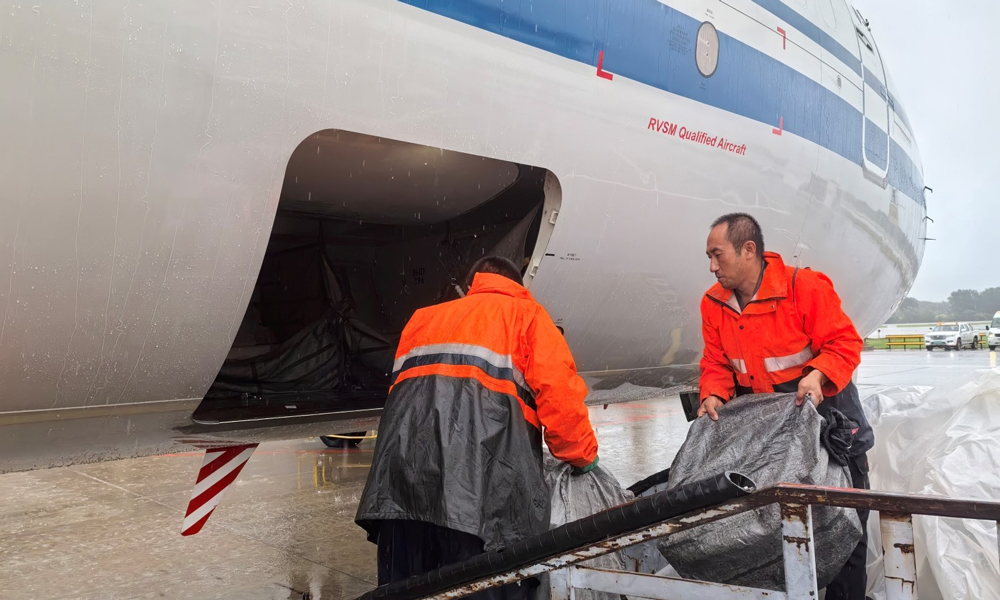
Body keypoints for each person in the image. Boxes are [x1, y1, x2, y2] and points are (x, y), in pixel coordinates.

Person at [355, 256, 599, 599]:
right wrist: (584, 455)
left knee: (404, 590)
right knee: (481, 587)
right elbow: (561, 402)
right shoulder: (527, 316)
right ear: (518, 287)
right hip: (480, 503)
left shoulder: (421, 320)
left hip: (400, 494)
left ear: (472, 286)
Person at [696, 213, 873, 600]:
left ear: (748, 250)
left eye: (717, 255)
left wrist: (818, 375)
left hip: (832, 427)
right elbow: (717, 363)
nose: (712, 266)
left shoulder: (802, 288)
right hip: (775, 438)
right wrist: (713, 392)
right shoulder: (713, 304)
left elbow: (845, 343)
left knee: (845, 533)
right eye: (708, 257)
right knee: (777, 533)